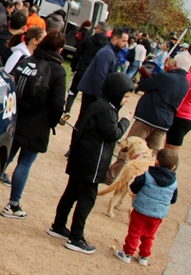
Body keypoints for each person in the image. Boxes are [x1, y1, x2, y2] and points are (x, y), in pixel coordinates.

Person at [49, 73, 134, 254]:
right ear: (116, 92)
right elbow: (113, 134)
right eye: (125, 96)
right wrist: (125, 122)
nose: (126, 100)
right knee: (87, 199)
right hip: (92, 161)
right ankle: (76, 237)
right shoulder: (107, 110)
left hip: (82, 156)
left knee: (71, 193)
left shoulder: (99, 104)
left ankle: (58, 225)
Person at [0, 31, 67, 218]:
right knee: (25, 163)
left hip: (16, 117)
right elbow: (57, 103)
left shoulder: (26, 61)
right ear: (60, 49)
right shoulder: (58, 71)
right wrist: (52, 122)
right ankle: (13, 205)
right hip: (39, 123)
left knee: (5, 156)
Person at [106, 52, 191, 183]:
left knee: (128, 147)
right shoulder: (185, 83)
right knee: (151, 156)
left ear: (175, 64)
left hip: (148, 117)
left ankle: (111, 176)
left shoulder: (166, 77)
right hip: (164, 122)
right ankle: (144, 181)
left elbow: (144, 86)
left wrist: (145, 76)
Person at [115, 148, 179, 266]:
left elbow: (134, 188)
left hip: (141, 211)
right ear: (174, 167)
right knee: (149, 235)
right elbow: (173, 200)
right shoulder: (174, 183)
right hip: (157, 215)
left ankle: (127, 253)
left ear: (156, 162)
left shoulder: (147, 175)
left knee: (135, 232)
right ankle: (144, 256)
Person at [75, 29, 129, 124]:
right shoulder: (107, 53)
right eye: (123, 41)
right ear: (115, 39)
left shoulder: (113, 53)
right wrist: (100, 98)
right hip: (92, 93)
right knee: (85, 120)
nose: (125, 44)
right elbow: (99, 76)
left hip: (94, 93)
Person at [65, 21, 110, 112]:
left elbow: (77, 54)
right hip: (94, 73)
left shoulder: (88, 40)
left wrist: (73, 67)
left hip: (82, 69)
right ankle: (83, 114)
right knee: (87, 97)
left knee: (73, 90)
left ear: (98, 29)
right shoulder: (107, 46)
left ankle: (67, 110)